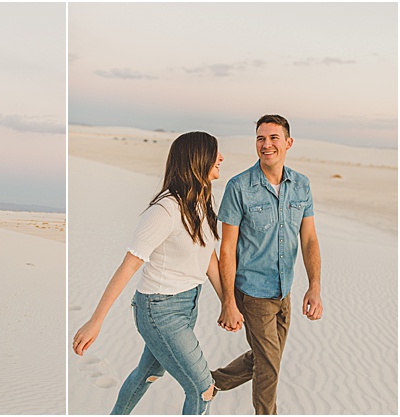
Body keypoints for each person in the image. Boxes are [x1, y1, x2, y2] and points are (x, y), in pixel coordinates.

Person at [72, 131, 226, 414]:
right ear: (197, 159)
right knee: (202, 388)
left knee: (148, 374)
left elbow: (208, 256)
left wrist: (228, 301)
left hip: (187, 304)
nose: (221, 158)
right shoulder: (165, 210)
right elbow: (129, 265)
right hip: (159, 310)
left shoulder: (203, 202)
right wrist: (96, 321)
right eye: (215, 153)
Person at [211, 114, 323, 414]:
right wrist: (228, 301)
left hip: (284, 291)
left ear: (288, 143)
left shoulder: (301, 185)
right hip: (252, 293)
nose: (266, 144)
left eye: (273, 138)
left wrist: (314, 286)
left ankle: (210, 382)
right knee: (270, 367)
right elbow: (227, 248)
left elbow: (310, 239)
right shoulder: (239, 187)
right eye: (261, 138)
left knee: (265, 358)